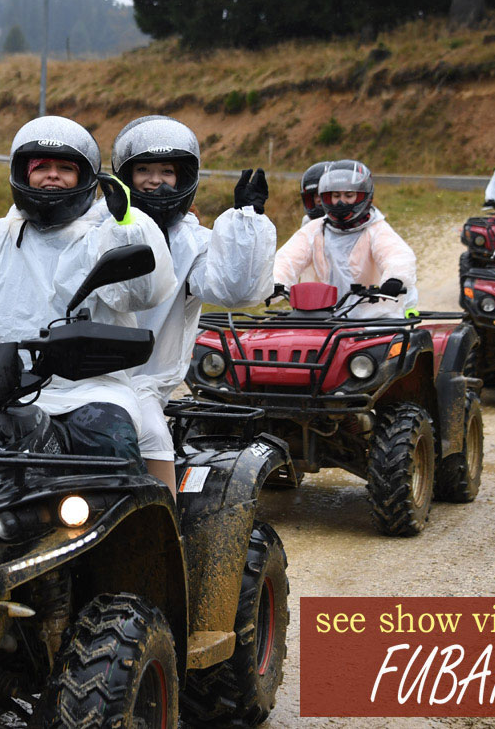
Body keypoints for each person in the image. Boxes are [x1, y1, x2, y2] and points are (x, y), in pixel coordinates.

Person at [0, 115, 177, 461]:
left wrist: (126, 225)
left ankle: (132, 517)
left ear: (85, 178)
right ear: (23, 173)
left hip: (85, 392)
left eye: (65, 167)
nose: (53, 175)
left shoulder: (107, 235)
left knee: (111, 447)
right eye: (42, 166)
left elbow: (142, 293)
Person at [112, 115, 276, 496]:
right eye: (144, 170)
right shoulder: (99, 227)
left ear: (184, 176)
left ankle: (166, 531)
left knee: (151, 432)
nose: (155, 180)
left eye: (166, 170)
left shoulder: (194, 242)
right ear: (124, 175)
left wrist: (245, 225)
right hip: (80, 375)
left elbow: (234, 290)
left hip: (143, 382)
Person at [273, 160, 418, 319]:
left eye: (349, 195)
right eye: (336, 196)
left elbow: (397, 255)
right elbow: (287, 259)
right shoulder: (315, 229)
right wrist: (276, 283)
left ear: (363, 196)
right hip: (323, 316)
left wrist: (395, 279)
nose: (341, 202)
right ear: (326, 197)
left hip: (373, 318)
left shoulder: (376, 229)